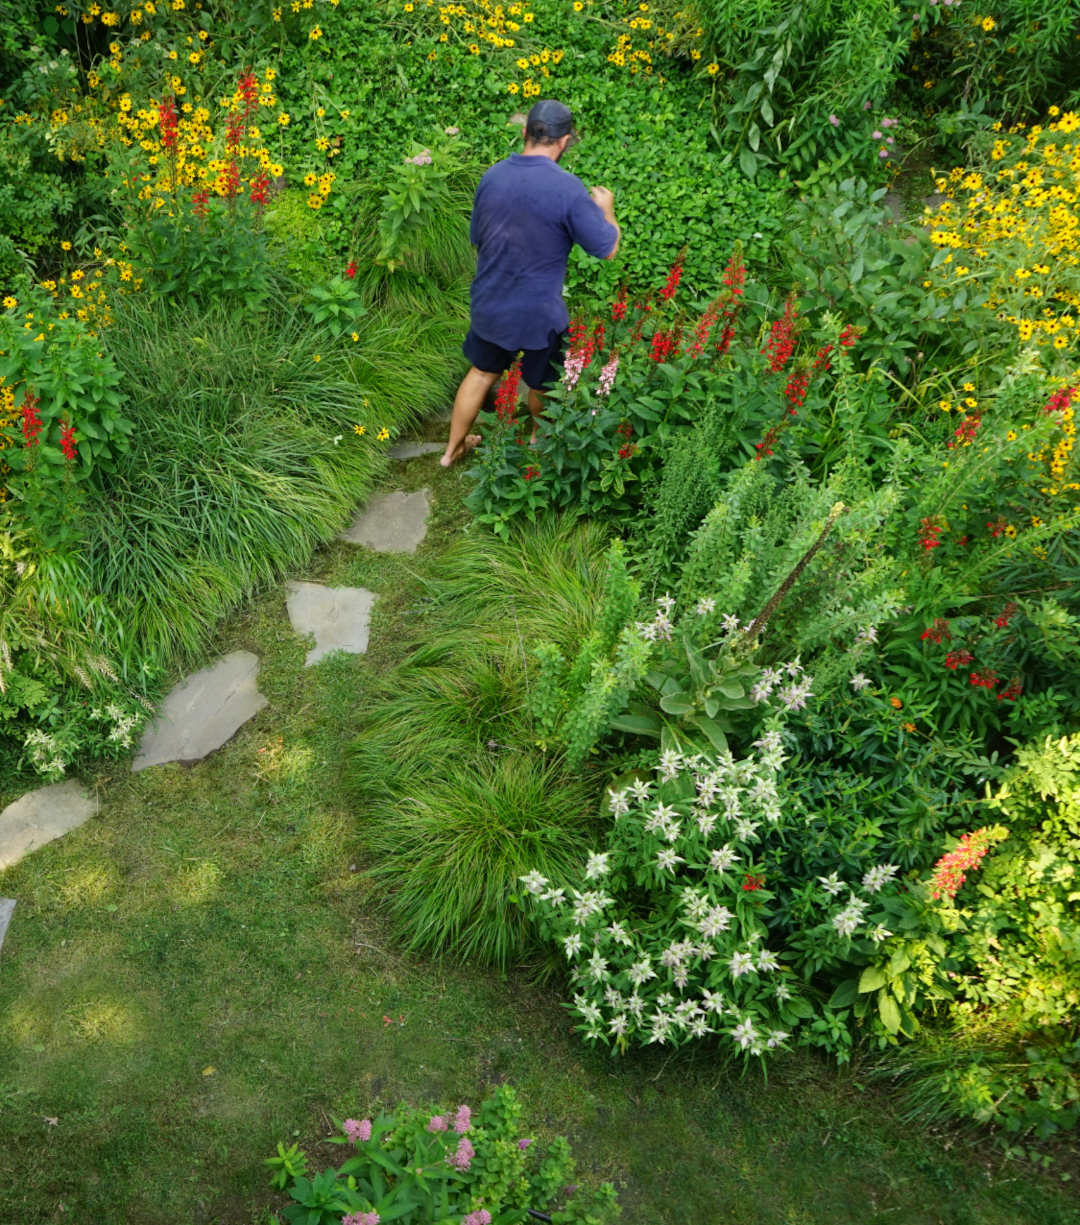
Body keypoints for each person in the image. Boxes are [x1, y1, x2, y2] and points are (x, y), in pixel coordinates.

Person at [440, 99, 621, 467]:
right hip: (539, 314)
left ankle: (451, 450)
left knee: (481, 373)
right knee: (542, 383)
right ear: (565, 141)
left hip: (490, 300)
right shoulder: (569, 189)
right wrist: (607, 211)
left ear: (525, 132)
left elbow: (477, 237)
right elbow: (607, 249)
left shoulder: (492, 176)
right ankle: (538, 440)